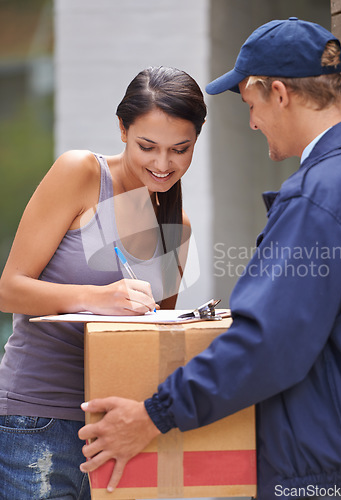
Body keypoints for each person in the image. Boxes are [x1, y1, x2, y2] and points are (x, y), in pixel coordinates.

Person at [78, 18, 341, 500]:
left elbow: (266, 344)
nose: (252, 122)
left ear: (278, 93)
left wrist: (153, 415)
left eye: (251, 105)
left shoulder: (317, 197)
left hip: (314, 470)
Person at [0, 66, 207, 500]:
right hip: (37, 423)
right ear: (121, 129)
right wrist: (99, 298)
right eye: (147, 146)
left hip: (119, 432)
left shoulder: (177, 225)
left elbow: (153, 339)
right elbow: (9, 288)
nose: (163, 164)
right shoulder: (81, 174)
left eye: (180, 150)